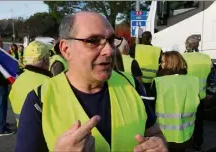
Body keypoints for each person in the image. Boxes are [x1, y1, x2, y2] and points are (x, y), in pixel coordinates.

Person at [15, 12, 168, 152]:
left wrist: (159, 144)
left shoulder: (132, 84)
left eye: (110, 40)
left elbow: (154, 132)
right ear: (66, 49)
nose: (109, 50)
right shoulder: (39, 100)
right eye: (93, 41)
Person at [150, 51, 200, 152]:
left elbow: (150, 109)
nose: (161, 64)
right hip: (186, 133)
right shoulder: (194, 81)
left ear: (170, 63)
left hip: (163, 135)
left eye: (163, 62)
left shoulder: (159, 82)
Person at [182, 34, 214, 151]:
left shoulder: (182, 57)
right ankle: (198, 144)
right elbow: (212, 77)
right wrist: (210, 93)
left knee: (185, 120)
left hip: (186, 96)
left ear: (187, 45)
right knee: (199, 122)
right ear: (198, 45)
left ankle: (185, 141)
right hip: (201, 96)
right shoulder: (206, 58)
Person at [9, 41, 52, 126]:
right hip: (41, 134)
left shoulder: (18, 80)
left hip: (22, 131)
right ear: (45, 60)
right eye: (48, 56)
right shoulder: (48, 82)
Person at [134, 31, 162, 95]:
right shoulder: (157, 50)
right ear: (150, 39)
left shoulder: (135, 48)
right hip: (152, 83)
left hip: (138, 81)